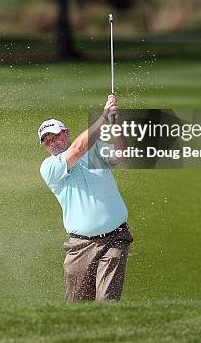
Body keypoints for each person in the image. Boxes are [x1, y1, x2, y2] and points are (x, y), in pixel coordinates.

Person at [38, 94, 133, 302]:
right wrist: (103, 118)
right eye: (47, 141)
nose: (53, 142)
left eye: (56, 136)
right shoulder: (49, 168)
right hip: (79, 246)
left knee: (107, 301)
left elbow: (122, 154)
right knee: (77, 306)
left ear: (67, 133)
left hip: (115, 239)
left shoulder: (95, 151)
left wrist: (115, 126)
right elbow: (77, 150)